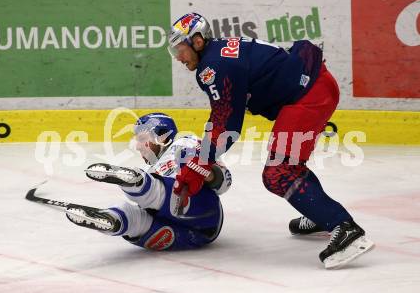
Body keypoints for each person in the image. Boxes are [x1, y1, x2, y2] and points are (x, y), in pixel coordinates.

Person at [167, 13, 373, 268]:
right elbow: (223, 119)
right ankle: (322, 214)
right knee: (288, 167)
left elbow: (226, 125)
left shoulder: (212, 67)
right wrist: (203, 160)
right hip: (313, 87)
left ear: (197, 41)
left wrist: (199, 165)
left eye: (180, 48)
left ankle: (345, 229)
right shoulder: (218, 53)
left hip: (309, 96)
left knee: (279, 173)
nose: (178, 57)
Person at [66, 112, 232, 250]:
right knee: (136, 220)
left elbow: (225, 182)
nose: (137, 146)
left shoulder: (183, 143)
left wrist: (208, 173)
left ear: (162, 136)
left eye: (142, 138)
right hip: (186, 235)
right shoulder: (152, 170)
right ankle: (115, 219)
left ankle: (138, 184)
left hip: (206, 216)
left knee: (153, 190)